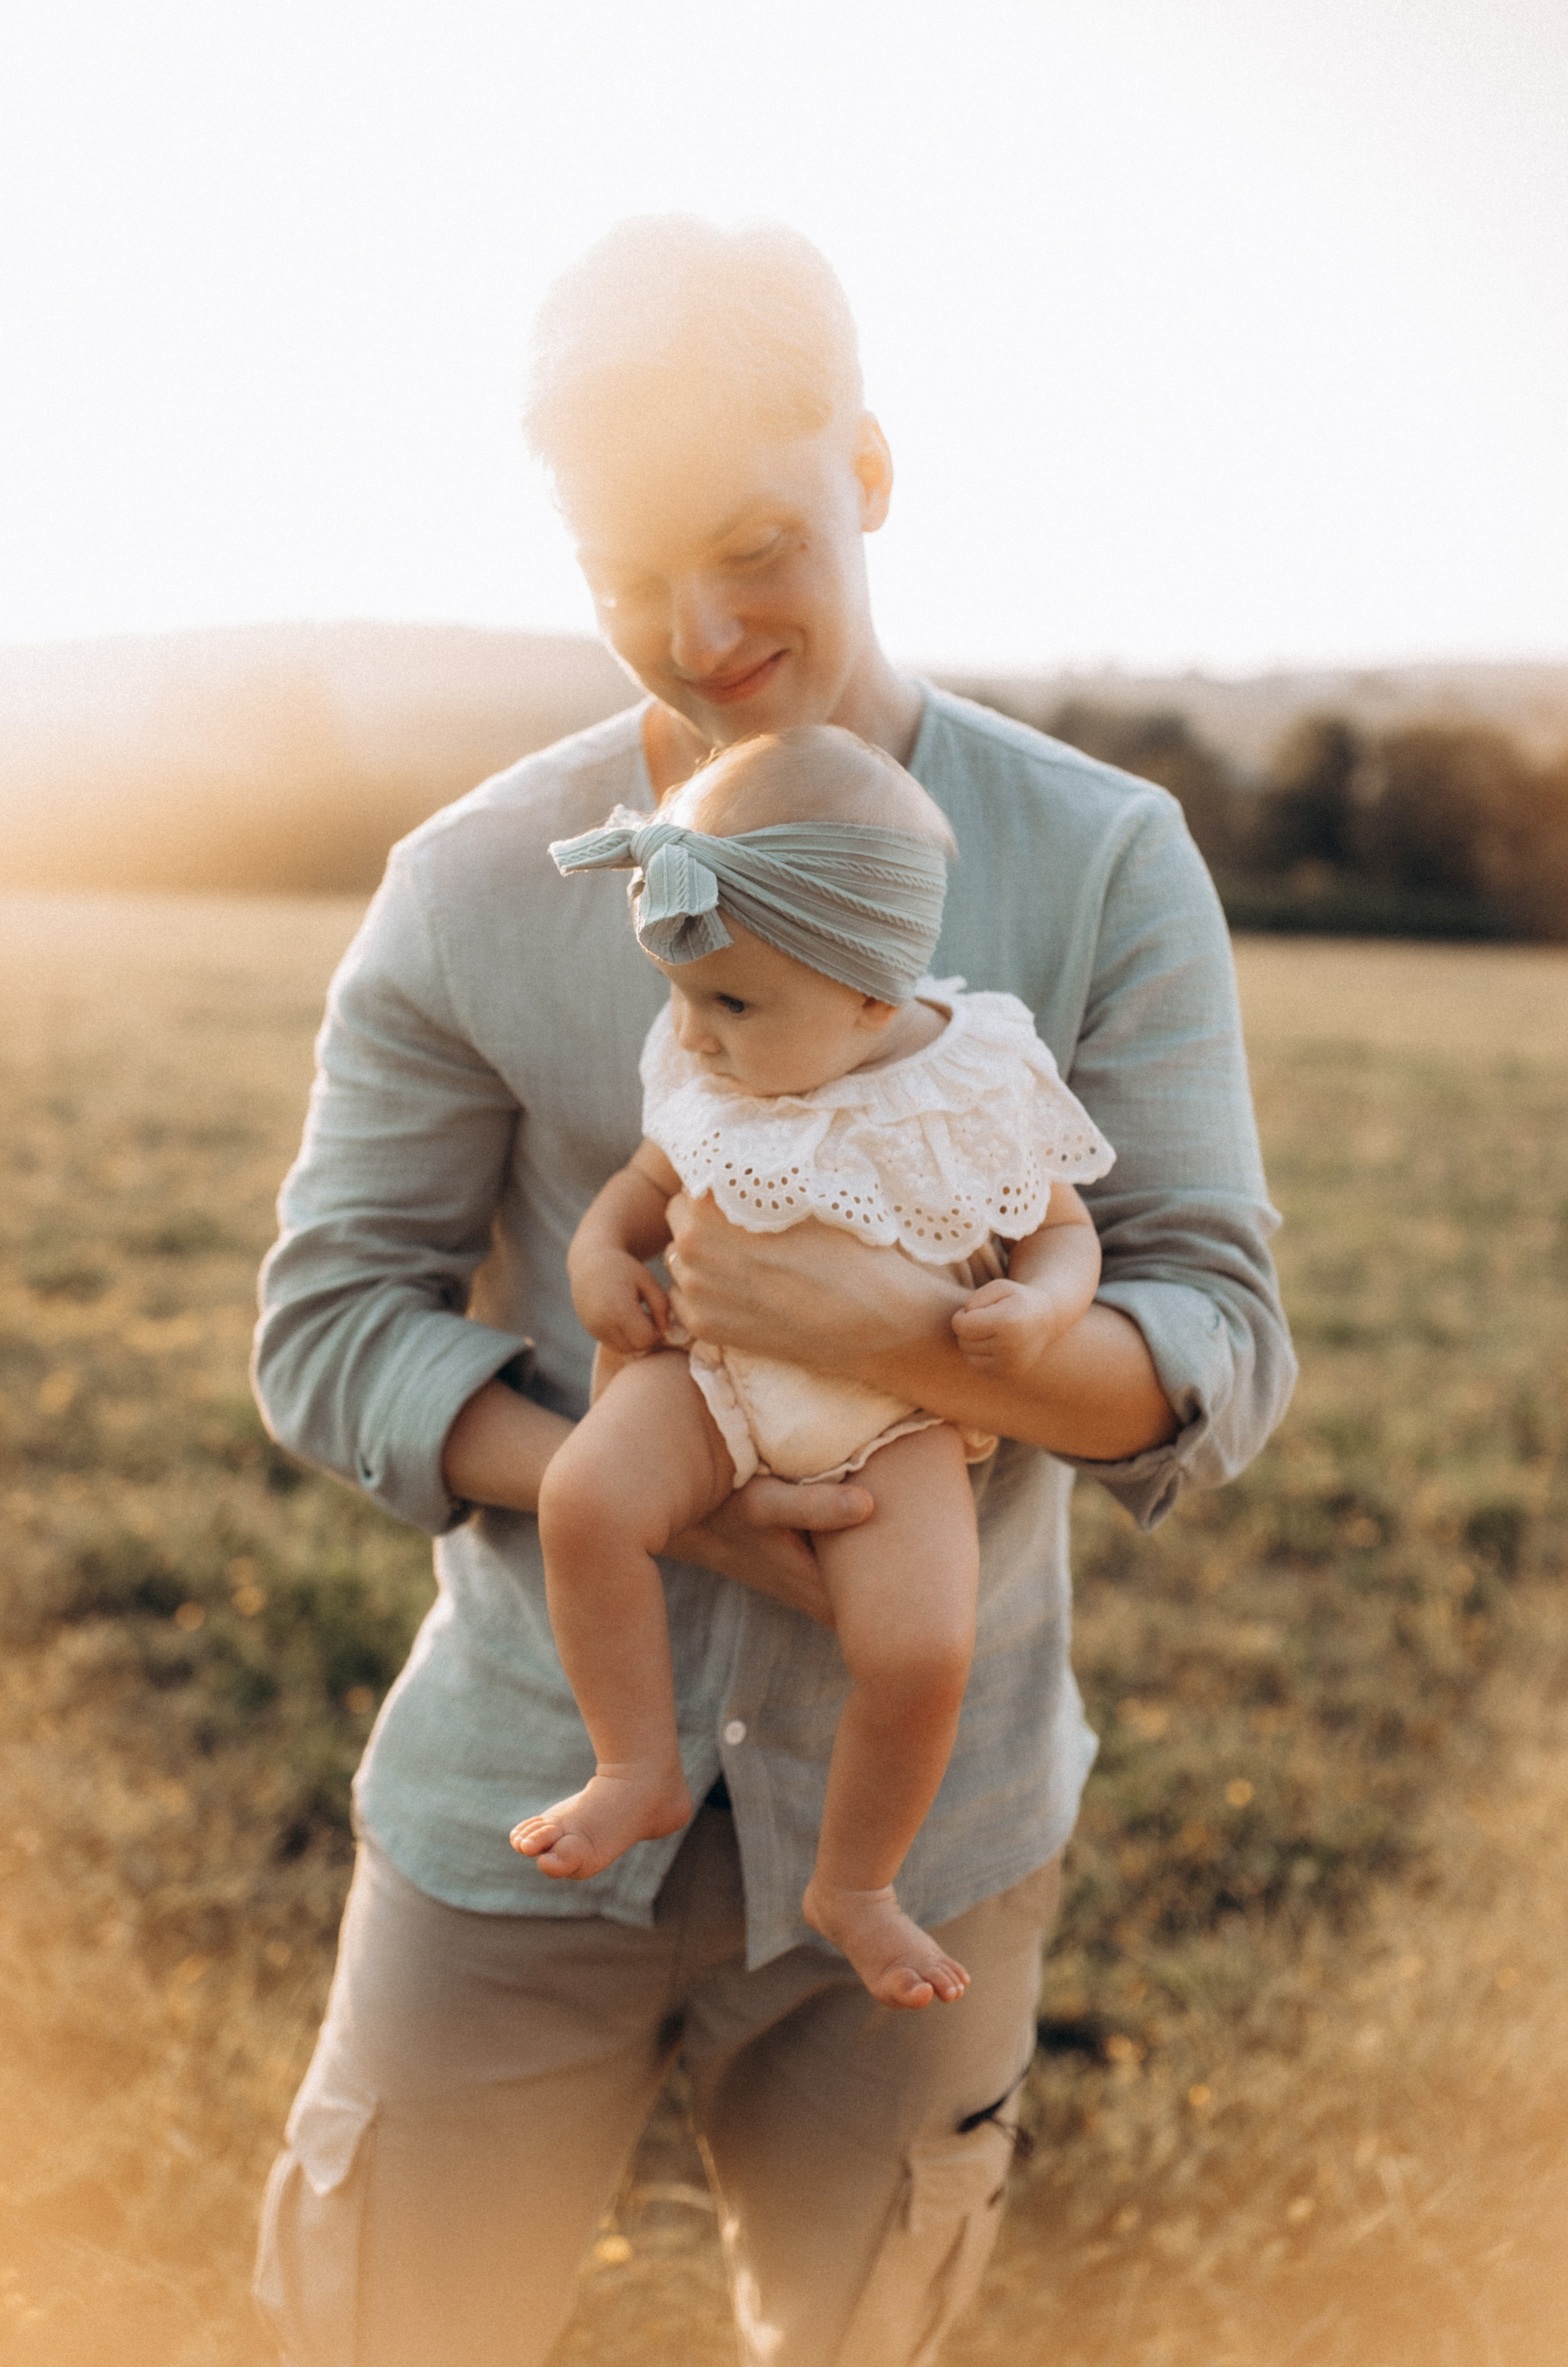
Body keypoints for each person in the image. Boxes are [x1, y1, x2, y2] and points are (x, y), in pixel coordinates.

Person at [251, 215, 1296, 2367]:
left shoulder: (1103, 859)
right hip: (515, 1810)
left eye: (760, 545)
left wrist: (903, 1346)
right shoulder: (474, 886)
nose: (706, 632)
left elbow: (1219, 1335)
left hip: (938, 1821)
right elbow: (329, 1324)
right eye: (630, 580)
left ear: (875, 472)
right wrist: (662, 1493)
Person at [513, 726, 1116, 2011]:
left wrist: (1039, 1309)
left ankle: (856, 1884)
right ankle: (634, 1767)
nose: (697, 1035)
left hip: (896, 1421)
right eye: (682, 995)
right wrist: (597, 1249)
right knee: (583, 1498)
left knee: (919, 1648)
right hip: (709, 1374)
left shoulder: (973, 1079)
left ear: (868, 994)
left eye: (731, 1003)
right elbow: (646, 1178)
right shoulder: (709, 1054)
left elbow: (1062, 1231)